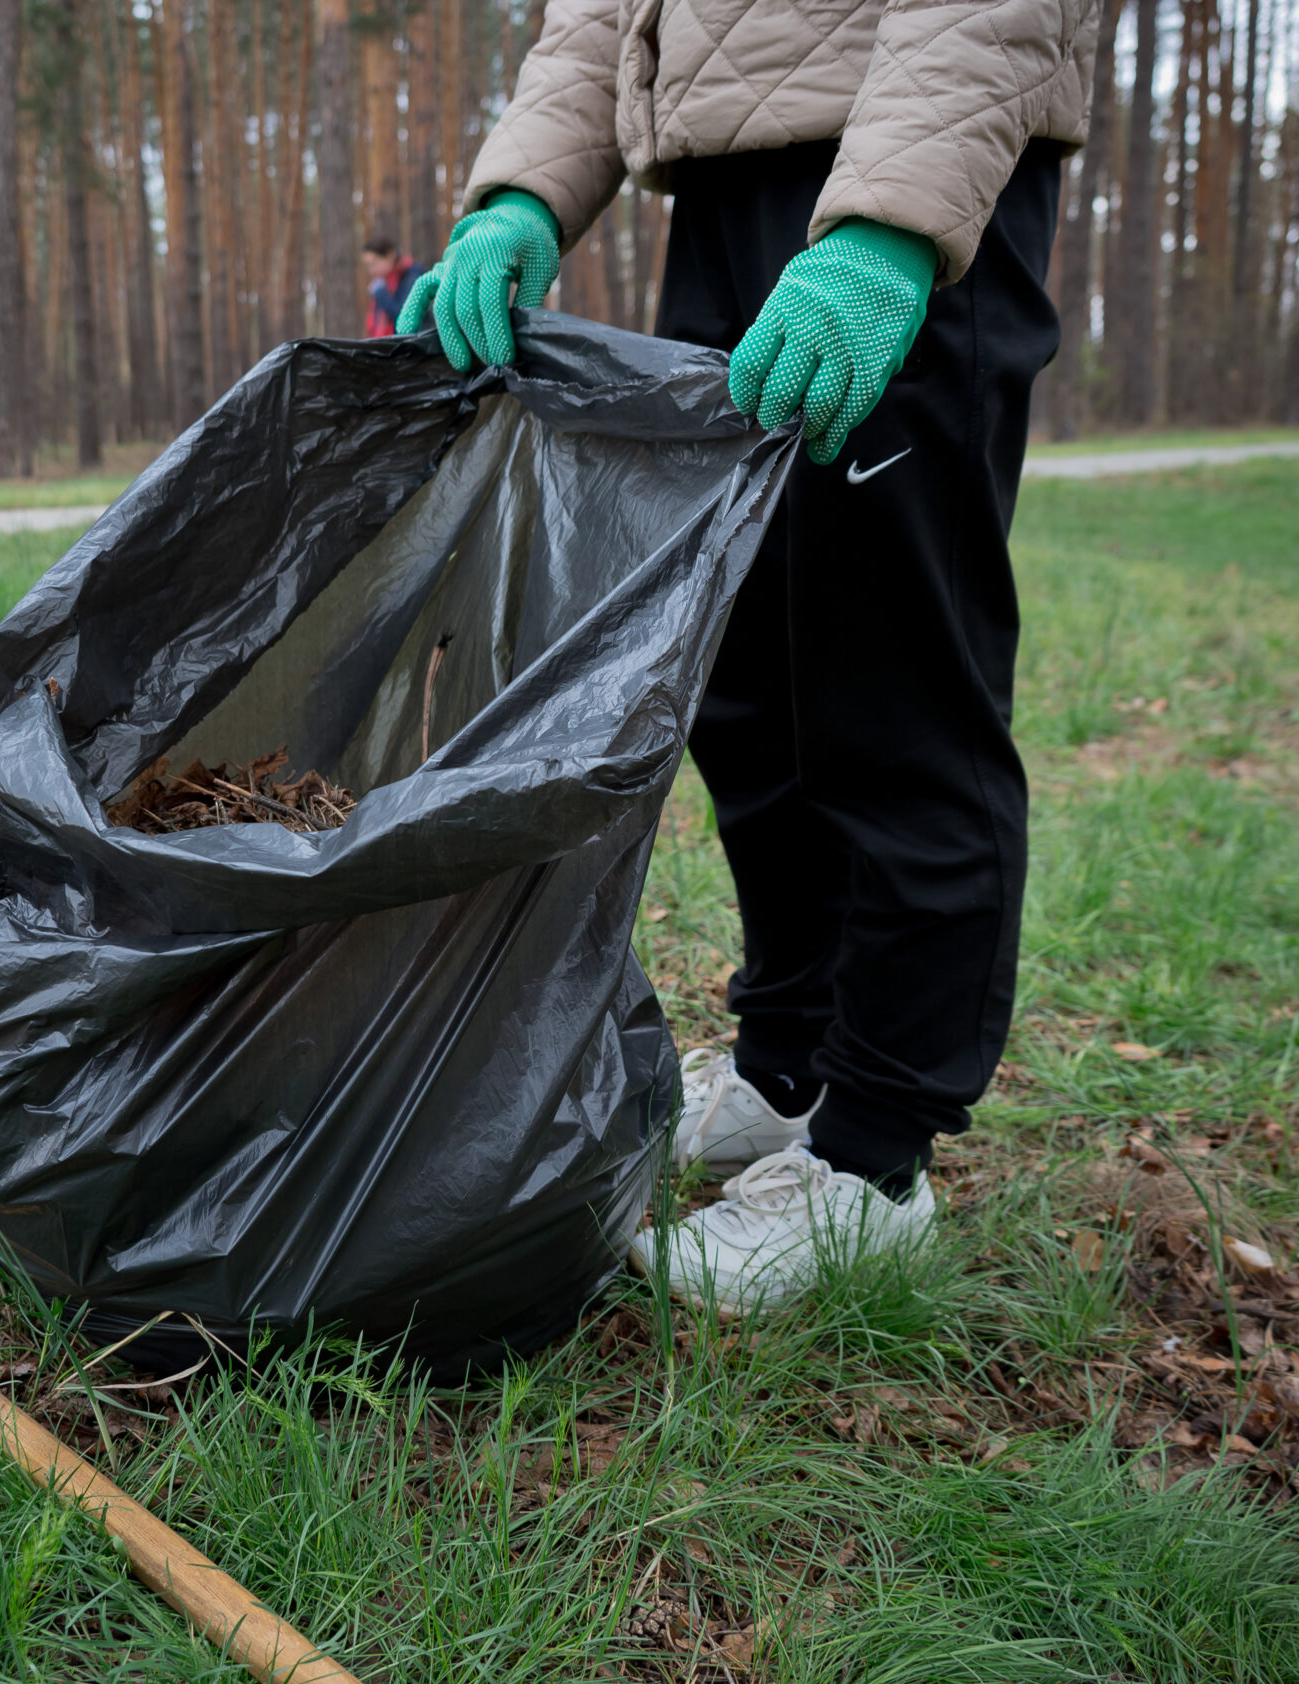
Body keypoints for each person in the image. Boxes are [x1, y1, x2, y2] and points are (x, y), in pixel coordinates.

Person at [400, 0, 1097, 1315]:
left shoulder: (904, 196)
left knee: (891, 683)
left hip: (901, 177)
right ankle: (787, 1073)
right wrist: (526, 195)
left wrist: (897, 219)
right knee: (747, 689)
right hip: (717, 177)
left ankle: (872, 1158)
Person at [362, 235, 418, 340]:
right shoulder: (384, 282)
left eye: (374, 263)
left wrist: (380, 293)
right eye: (368, 266)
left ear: (390, 255)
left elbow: (404, 316)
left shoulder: (412, 275)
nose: (371, 271)